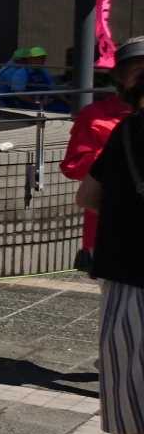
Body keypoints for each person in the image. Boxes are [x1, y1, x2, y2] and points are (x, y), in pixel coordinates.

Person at [74, 35, 144, 434]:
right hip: (121, 264)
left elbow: (89, 192)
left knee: (130, 400)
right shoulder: (99, 117)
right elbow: (78, 167)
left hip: (131, 272)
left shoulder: (129, 131)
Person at [64, 40, 144, 272]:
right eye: (137, 71)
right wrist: (113, 162)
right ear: (120, 78)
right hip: (109, 229)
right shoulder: (95, 115)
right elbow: (73, 164)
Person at [0, 45, 66, 113]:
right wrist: (37, 102)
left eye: (43, 58)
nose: (42, 61)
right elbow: (18, 93)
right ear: (30, 59)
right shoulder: (18, 72)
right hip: (17, 105)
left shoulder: (44, 71)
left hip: (44, 103)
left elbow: (53, 88)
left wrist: (66, 101)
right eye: (38, 58)